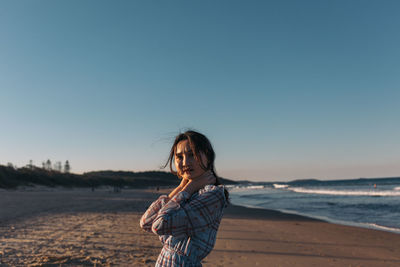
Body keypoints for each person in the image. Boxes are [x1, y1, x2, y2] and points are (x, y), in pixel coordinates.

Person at [140, 130, 229, 267]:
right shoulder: (188, 192)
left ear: (208, 157)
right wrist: (181, 188)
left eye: (192, 155)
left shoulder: (213, 195)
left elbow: (159, 225)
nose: (185, 162)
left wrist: (188, 189)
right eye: (179, 157)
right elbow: (146, 222)